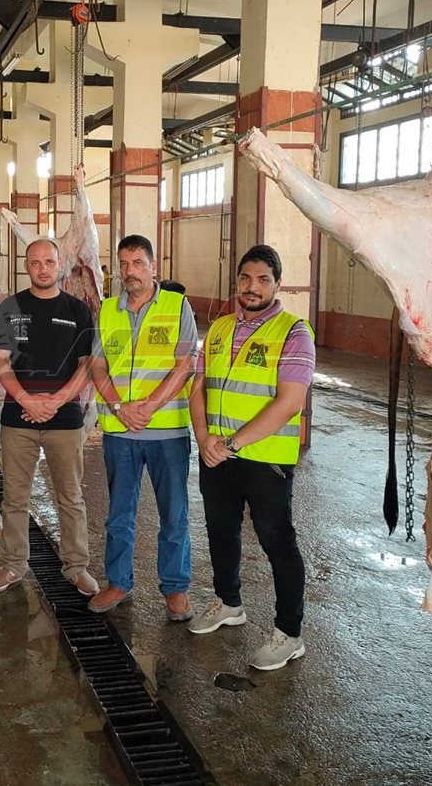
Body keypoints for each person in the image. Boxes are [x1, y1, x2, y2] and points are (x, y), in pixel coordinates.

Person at [187, 244, 315, 671]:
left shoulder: (294, 332)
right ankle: (228, 603)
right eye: (245, 278)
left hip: (264, 459)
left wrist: (232, 443)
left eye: (262, 279)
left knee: (277, 541)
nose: (252, 287)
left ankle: (289, 633)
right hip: (216, 455)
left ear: (277, 284)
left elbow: (290, 402)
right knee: (220, 531)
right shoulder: (220, 328)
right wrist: (204, 437)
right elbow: (198, 386)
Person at [88, 234, 197, 621]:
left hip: (166, 431)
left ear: (154, 266)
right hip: (120, 432)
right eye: (124, 264)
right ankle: (119, 581)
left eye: (138, 263)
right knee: (119, 512)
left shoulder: (176, 305)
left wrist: (147, 407)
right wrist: (120, 408)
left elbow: (185, 364)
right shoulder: (107, 310)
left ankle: (176, 587)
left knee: (174, 513)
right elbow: (97, 365)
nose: (130, 271)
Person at [0, 238, 98, 597]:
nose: (43, 268)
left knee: (71, 496)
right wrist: (26, 400)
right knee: (15, 497)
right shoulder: (11, 307)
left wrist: (58, 400)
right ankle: (13, 564)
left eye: (49, 261)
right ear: (26, 266)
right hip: (18, 418)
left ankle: (76, 566)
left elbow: (86, 366)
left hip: (65, 420)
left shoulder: (78, 310)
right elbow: (1, 362)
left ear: (59, 265)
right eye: (35, 263)